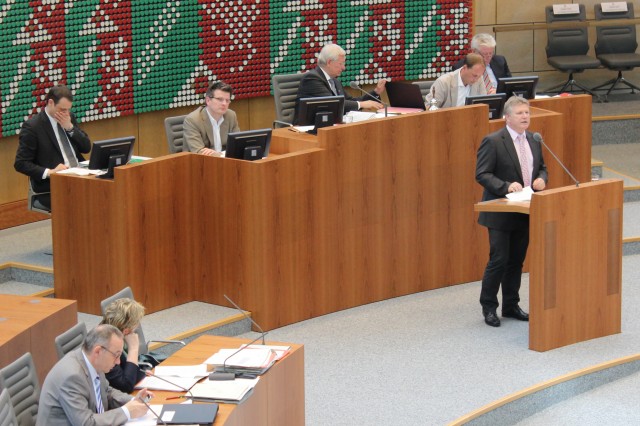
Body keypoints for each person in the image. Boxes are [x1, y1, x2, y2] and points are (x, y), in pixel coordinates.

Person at [475, 96, 548, 327]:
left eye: (527, 112)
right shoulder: (494, 141)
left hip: (525, 210)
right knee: (499, 259)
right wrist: (505, 186)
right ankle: (489, 307)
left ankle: (510, 305)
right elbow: (482, 174)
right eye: (520, 113)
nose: (525, 116)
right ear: (507, 117)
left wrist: (541, 179)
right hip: (500, 211)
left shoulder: (534, 139)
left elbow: (543, 167)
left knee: (516, 260)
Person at [37, 324, 151, 426]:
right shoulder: (71, 377)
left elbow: (107, 391)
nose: (118, 362)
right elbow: (86, 423)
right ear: (98, 351)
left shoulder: (93, 361)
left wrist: (132, 401)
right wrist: (126, 411)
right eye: (116, 356)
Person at [14, 84, 91, 211]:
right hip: (53, 183)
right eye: (62, 109)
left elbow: (86, 147)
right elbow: (21, 163)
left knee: (105, 190)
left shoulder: (69, 118)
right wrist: (50, 172)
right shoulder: (33, 127)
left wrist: (70, 128)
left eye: (68, 110)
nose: (66, 113)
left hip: (79, 174)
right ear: (50, 102)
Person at [293, 43, 386, 124]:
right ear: (329, 62)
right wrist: (361, 104)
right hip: (309, 128)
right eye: (341, 64)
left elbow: (350, 101)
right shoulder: (312, 79)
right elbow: (332, 104)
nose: (343, 68)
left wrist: (376, 92)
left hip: (330, 125)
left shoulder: (334, 81)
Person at [100, 298, 147, 393]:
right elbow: (126, 386)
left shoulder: (108, 331)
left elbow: (133, 373)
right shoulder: (106, 348)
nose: (136, 328)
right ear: (126, 331)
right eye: (135, 326)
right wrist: (133, 349)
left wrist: (140, 373)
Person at [183, 81, 240, 156]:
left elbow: (238, 144)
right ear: (208, 100)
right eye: (220, 99)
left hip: (226, 162)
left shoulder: (231, 115)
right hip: (200, 164)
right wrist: (221, 155)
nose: (224, 103)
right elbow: (199, 152)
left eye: (227, 100)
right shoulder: (192, 120)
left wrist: (219, 154)